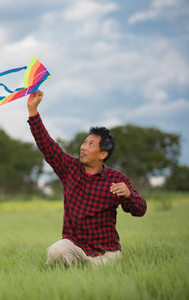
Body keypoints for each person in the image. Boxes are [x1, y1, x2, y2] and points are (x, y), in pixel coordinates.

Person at [27, 90, 147, 267]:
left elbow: (140, 209)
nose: (83, 147)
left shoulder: (116, 179)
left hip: (105, 251)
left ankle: (86, 269)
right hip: (74, 245)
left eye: (91, 144)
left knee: (99, 269)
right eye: (84, 142)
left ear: (102, 154)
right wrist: (32, 110)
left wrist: (129, 195)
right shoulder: (69, 168)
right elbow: (46, 145)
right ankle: (77, 269)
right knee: (56, 252)